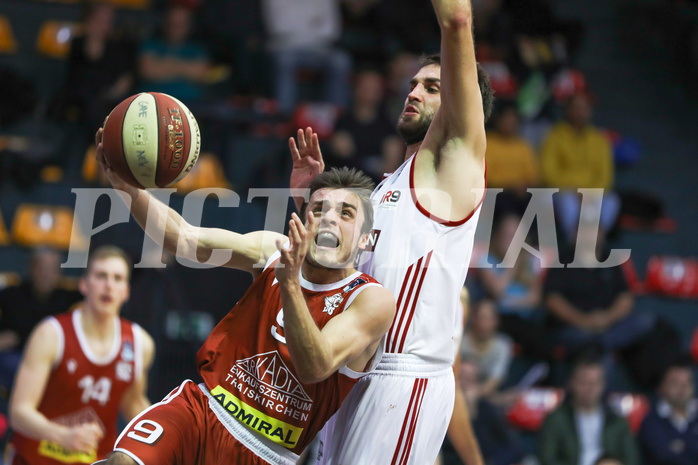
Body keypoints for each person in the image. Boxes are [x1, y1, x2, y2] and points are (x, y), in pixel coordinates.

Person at [92, 144, 396, 464]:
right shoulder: (272, 251)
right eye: (319, 210)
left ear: (364, 239)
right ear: (306, 224)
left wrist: (290, 285)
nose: (329, 219)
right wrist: (125, 186)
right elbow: (183, 239)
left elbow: (316, 365)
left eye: (345, 213)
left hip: (267, 452)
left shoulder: (369, 299)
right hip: (202, 410)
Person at [288, 0, 495, 462]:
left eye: (433, 86)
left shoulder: (454, 166)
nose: (414, 92)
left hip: (404, 381)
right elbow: (330, 273)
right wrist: (305, 199)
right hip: (353, 373)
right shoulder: (384, 188)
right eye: (413, 84)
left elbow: (457, 20)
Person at [7, 246, 155, 465]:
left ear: (126, 291)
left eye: (117, 278)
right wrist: (62, 435)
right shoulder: (51, 333)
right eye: (101, 276)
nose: (108, 285)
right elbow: (19, 412)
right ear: (84, 284)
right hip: (36, 458)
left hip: (95, 459)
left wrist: (167, 436)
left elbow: (133, 403)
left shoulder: (140, 343)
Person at [540, 92, 620, 243]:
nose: (580, 112)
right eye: (576, 108)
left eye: (584, 108)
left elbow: (605, 176)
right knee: (567, 202)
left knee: (612, 201)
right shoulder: (554, 136)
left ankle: (597, 240)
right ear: (567, 110)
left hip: (592, 193)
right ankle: (574, 242)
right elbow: (548, 173)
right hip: (563, 191)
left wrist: (589, 192)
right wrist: (575, 189)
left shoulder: (599, 139)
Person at [0, 248, 83, 391]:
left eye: (52, 269)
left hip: (53, 358)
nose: (46, 275)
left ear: (59, 274)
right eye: (41, 268)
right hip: (15, 356)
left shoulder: (68, 298)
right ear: (31, 269)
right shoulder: (10, 295)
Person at [537, 357, 639, 465]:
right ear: (572, 383)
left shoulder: (617, 421)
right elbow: (546, 458)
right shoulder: (556, 419)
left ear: (603, 385)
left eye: (594, 383)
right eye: (584, 382)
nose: (590, 388)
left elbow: (631, 459)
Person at [138, 3, 211, 103]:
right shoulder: (151, 44)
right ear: (165, 23)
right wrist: (185, 68)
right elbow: (148, 71)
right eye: (172, 23)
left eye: (180, 24)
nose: (175, 28)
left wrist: (166, 64)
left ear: (189, 26)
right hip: (152, 103)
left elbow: (201, 74)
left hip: (191, 104)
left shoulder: (197, 49)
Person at [638, 361, 698, 465]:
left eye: (687, 382)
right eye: (675, 382)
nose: (682, 388)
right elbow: (662, 456)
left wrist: (681, 446)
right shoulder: (651, 421)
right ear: (661, 386)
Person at [460, 299, 513, 398]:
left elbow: (496, 379)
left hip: (488, 395)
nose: (485, 322)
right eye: (482, 317)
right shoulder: (461, 342)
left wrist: (476, 392)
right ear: (473, 318)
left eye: (489, 318)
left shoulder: (502, 346)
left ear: (496, 320)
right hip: (459, 391)